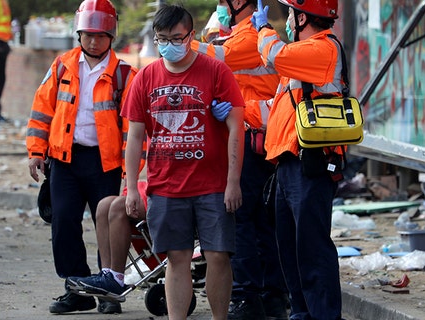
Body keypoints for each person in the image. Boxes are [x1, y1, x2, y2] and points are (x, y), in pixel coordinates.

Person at [121, 4, 246, 320]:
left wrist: (233, 182)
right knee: (177, 258)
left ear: (191, 36)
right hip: (165, 187)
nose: (170, 45)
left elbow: (236, 127)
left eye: (177, 38)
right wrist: (132, 187)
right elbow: (135, 136)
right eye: (163, 38)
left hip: (213, 187)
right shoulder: (146, 77)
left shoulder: (216, 72)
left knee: (218, 256)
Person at [25, 0, 138, 315]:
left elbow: (133, 127)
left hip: (105, 163)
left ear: (111, 36)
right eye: (88, 34)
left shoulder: (125, 74)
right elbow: (41, 110)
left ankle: (108, 292)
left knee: (110, 226)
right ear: (79, 34)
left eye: (101, 35)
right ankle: (76, 290)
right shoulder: (63, 66)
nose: (94, 41)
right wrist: (36, 152)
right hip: (64, 160)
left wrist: (133, 171)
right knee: (63, 223)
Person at [192, 1, 288, 319]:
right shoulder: (246, 35)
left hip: (251, 138)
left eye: (223, 2)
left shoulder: (250, 37)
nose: (220, 8)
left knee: (243, 219)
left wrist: (177, 41)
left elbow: (217, 56)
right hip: (256, 138)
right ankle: (270, 296)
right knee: (261, 223)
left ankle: (248, 296)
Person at [251, 0, 344, 318]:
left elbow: (273, 55)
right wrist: (235, 108)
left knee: (311, 248)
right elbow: (276, 108)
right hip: (290, 163)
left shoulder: (321, 49)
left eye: (290, 14)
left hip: (312, 164)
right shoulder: (302, 59)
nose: (287, 21)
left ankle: (323, 315)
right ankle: (302, 313)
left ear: (303, 17)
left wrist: (263, 28)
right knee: (289, 248)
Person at [65, 180, 148, 303]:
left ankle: (116, 278)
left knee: (119, 206)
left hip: (173, 193)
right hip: (155, 186)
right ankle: (107, 273)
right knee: (104, 205)